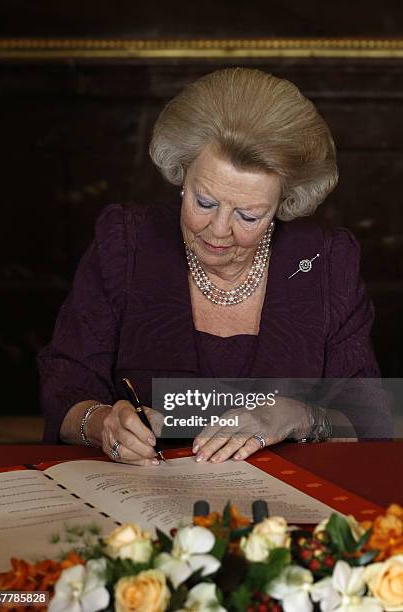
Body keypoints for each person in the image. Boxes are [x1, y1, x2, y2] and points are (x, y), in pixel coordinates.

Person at [38, 67, 392, 466]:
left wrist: (301, 417)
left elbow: (370, 423)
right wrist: (102, 421)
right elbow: (64, 386)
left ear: (284, 205)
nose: (218, 230)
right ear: (182, 175)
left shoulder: (323, 264)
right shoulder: (126, 245)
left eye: (249, 215)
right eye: (204, 202)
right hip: (143, 504)